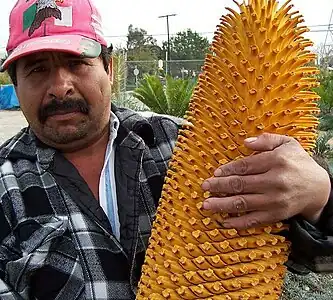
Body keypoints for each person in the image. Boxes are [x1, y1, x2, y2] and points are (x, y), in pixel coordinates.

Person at [0, 0, 332, 299]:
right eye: (38, 70)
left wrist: (321, 200)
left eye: (76, 63)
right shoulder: (6, 187)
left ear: (109, 69)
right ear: (16, 85)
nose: (60, 87)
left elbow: (318, 262)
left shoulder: (181, 142)